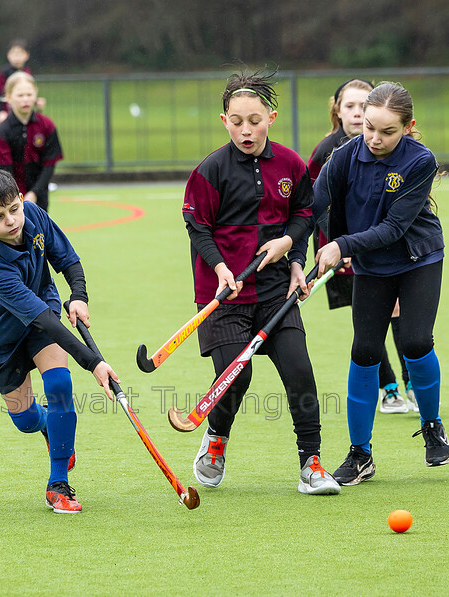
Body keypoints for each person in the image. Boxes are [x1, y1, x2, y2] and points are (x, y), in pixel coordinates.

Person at [182, 70, 340, 496]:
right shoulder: (210, 171)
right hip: (224, 294)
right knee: (237, 377)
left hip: (275, 292)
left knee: (300, 372)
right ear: (224, 120)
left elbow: (304, 214)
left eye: (254, 120)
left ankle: (312, 464)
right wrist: (219, 269)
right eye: (236, 121)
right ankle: (215, 442)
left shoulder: (290, 164)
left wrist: (292, 255)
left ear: (271, 117)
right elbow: (197, 227)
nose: (246, 130)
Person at [310, 82, 449, 486]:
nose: (374, 138)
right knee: (365, 350)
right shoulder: (342, 157)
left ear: (407, 128)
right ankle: (360, 454)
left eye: (387, 131)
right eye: (369, 127)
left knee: (415, 342)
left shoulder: (420, 161)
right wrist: (294, 254)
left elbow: (392, 228)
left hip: (417, 259)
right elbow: (311, 206)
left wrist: (340, 245)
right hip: (372, 265)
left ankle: (431, 425)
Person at [0, 168, 118, 513]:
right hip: (2, 336)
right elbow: (46, 322)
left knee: (60, 384)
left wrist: (78, 295)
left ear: (21, 199)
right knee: (26, 421)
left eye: (14, 208)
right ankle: (48, 424)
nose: (11, 221)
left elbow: (67, 259)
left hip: (41, 313)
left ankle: (58, 485)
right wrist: (94, 362)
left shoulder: (32, 214)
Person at [307, 78, 417, 415]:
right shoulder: (330, 152)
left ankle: (413, 383)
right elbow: (316, 205)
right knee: (368, 319)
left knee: (397, 309)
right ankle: (390, 389)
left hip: (385, 246)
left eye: (362, 106)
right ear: (337, 111)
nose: (356, 113)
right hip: (340, 251)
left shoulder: (401, 149)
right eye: (349, 106)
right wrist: (339, 244)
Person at [0, 72, 61, 213]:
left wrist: (34, 193)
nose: (25, 99)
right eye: (20, 95)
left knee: (39, 234)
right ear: (8, 97)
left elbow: (49, 165)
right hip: (9, 200)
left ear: (36, 94)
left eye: (29, 94)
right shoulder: (2, 132)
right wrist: (17, 198)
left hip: (39, 197)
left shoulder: (47, 126)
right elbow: (3, 172)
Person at [0, 39, 46, 123]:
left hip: (24, 113)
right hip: (8, 113)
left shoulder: (27, 72)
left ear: (27, 55)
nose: (17, 57)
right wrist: (1, 111)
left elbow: (28, 91)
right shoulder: (4, 72)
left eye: (20, 54)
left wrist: (36, 101)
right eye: (14, 54)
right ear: (8, 55)